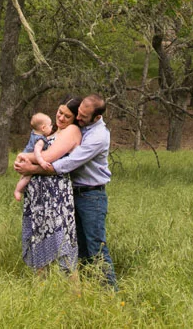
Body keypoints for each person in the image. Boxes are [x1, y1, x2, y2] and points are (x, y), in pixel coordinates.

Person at [15, 93, 117, 289]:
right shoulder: (78, 127)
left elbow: (68, 163)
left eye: (80, 117)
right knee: (79, 247)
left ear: (96, 117)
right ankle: (87, 289)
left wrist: (31, 167)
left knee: (95, 246)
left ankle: (110, 292)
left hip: (91, 194)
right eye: (76, 114)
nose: (78, 119)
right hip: (73, 193)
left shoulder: (97, 136)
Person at [16, 97, 83, 273]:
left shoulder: (72, 131)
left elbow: (49, 157)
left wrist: (24, 159)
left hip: (56, 194)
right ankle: (42, 295)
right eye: (60, 112)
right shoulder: (50, 132)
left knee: (62, 243)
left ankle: (74, 295)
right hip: (38, 195)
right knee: (38, 240)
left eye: (67, 116)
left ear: (75, 119)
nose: (60, 118)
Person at [13, 112, 53, 201]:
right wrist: (42, 162)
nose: (51, 127)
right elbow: (37, 152)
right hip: (28, 159)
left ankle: (20, 188)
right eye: (50, 125)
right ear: (43, 128)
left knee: (24, 176)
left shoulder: (34, 133)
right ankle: (18, 191)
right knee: (27, 177)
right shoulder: (40, 140)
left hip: (24, 155)